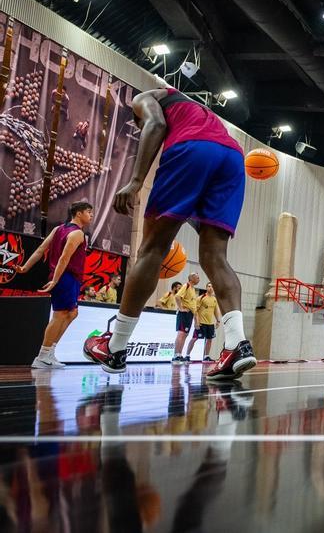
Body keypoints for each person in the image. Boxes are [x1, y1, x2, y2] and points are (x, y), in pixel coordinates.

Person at [82, 87, 256, 381]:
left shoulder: (143, 99)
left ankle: (115, 347)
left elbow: (156, 124)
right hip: (232, 157)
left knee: (151, 250)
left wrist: (136, 181)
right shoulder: (198, 111)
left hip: (192, 149)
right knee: (215, 257)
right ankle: (237, 344)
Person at [17, 200, 93, 368]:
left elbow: (40, 250)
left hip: (68, 277)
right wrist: (56, 280)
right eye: (89, 212)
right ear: (78, 213)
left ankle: (50, 352)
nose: (91, 215)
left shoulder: (58, 229)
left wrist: (25, 267)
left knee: (72, 313)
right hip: (65, 276)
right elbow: (64, 258)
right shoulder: (77, 233)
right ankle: (42, 356)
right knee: (60, 315)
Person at [186, 283, 220, 361]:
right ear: (206, 287)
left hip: (210, 324)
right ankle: (187, 355)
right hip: (201, 323)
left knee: (209, 339)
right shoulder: (201, 298)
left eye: (212, 286)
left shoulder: (214, 299)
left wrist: (218, 320)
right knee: (194, 338)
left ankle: (206, 356)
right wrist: (196, 322)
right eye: (209, 286)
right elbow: (195, 311)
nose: (210, 288)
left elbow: (215, 310)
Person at [172, 273, 201, 363]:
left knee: (185, 335)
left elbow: (193, 306)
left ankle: (179, 354)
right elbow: (177, 296)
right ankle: (176, 355)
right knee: (181, 333)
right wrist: (181, 308)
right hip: (184, 314)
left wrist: (196, 320)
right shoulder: (186, 286)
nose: (199, 279)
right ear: (191, 278)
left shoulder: (193, 289)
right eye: (197, 277)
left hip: (190, 314)